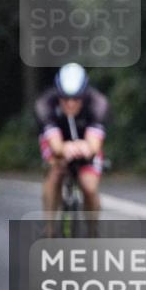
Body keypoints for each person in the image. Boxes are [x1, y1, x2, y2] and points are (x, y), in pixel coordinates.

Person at [35, 63, 109, 236]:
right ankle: (50, 229)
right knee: (55, 171)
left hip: (87, 141)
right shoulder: (44, 104)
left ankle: (92, 230)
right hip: (58, 140)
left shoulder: (98, 103)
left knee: (89, 186)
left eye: (76, 99)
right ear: (57, 94)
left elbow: (94, 146)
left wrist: (86, 149)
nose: (70, 104)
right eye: (65, 98)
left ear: (84, 95)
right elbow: (55, 145)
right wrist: (63, 149)